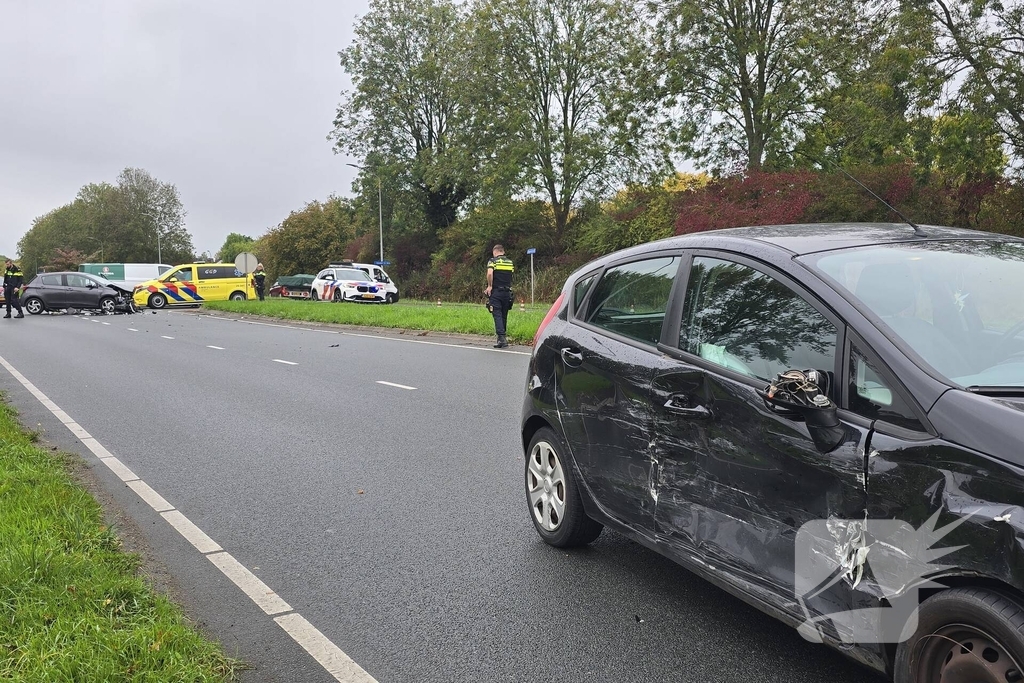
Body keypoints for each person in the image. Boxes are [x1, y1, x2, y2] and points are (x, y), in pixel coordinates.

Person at [485, 244, 515, 348]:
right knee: (504, 315)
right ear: (503, 251)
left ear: (495, 252)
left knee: (497, 314)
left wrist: (489, 286)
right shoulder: (510, 262)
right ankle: (503, 338)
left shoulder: (493, 261)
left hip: (496, 291)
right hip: (507, 292)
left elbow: (489, 273)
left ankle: (501, 339)